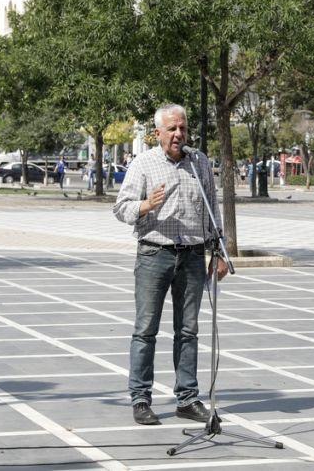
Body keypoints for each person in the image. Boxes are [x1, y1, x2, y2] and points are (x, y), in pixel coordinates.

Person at [113, 103, 229, 426]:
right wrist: (146, 205)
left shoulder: (199, 162)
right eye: (172, 129)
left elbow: (212, 208)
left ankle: (187, 398)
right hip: (155, 254)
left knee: (188, 330)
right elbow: (121, 208)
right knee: (146, 329)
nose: (179, 134)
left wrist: (218, 250)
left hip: (192, 256)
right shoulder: (143, 163)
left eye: (183, 128)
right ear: (158, 133)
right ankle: (140, 398)